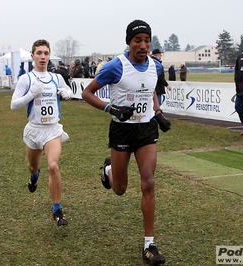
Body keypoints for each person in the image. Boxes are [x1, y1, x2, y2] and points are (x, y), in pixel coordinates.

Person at [82, 19, 166, 265]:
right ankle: (108, 170)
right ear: (129, 42)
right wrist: (112, 108)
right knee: (119, 189)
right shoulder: (115, 66)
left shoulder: (156, 66)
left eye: (146, 40)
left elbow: (150, 89)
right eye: (137, 40)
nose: (143, 45)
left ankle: (149, 245)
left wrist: (158, 113)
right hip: (122, 130)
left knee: (148, 183)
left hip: (146, 131)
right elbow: (87, 93)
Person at [10, 39, 74, 227]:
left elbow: (67, 90)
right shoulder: (26, 79)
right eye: (39, 53)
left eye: (46, 53)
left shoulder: (56, 78)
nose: (43, 57)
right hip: (33, 130)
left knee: (53, 166)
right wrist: (31, 94)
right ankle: (34, 176)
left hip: (52, 130)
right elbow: (13, 105)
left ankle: (57, 210)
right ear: (32, 56)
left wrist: (66, 92)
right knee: (32, 166)